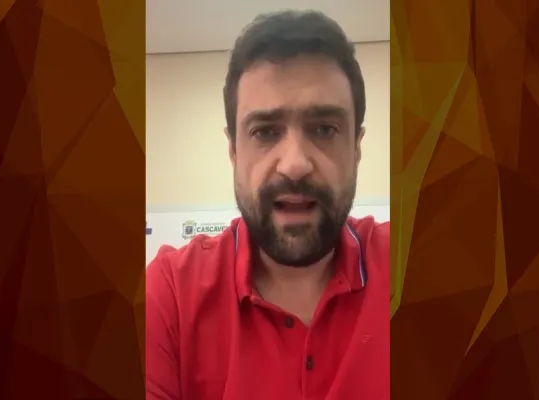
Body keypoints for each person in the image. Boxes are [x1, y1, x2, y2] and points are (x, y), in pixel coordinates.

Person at [146, 10, 390, 400]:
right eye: (265, 132)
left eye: (324, 129)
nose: (294, 164)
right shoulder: (170, 295)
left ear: (357, 147)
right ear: (233, 151)